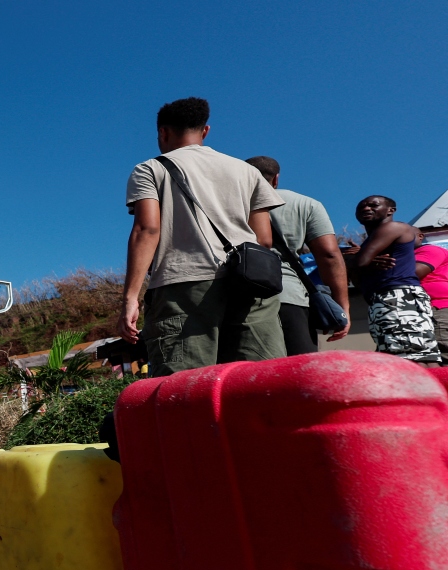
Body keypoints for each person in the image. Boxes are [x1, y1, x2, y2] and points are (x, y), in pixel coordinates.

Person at [117, 97, 287, 376]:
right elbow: (264, 239)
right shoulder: (247, 171)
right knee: (257, 381)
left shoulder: (150, 169)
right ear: (205, 131)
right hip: (249, 284)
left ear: (162, 132)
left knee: (186, 387)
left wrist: (130, 299)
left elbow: (147, 230)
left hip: (183, 285)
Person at [244, 156, 351, 354]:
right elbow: (329, 254)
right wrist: (342, 306)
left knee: (248, 372)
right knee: (298, 372)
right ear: (276, 179)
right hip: (289, 296)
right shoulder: (306, 204)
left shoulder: (226, 202)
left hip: (238, 294)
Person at [349, 196, 441, 365]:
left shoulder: (393, 227)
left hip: (398, 298)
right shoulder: (370, 243)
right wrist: (361, 261)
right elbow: (357, 277)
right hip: (381, 301)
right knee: (395, 358)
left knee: (414, 357)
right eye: (361, 207)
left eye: (373, 205)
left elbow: (360, 263)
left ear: (391, 210)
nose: (366, 208)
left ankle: (429, 392)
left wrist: (358, 259)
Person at [414, 231, 448, 355]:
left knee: (443, 352)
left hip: (437, 308)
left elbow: (413, 273)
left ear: (420, 236)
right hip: (422, 310)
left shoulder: (429, 250)